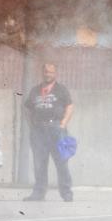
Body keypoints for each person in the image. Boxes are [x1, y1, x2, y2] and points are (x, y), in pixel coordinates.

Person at [23, 62, 74, 202]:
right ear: (42, 73)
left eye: (51, 72)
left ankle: (66, 194)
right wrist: (31, 124)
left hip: (57, 130)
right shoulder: (35, 90)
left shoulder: (61, 90)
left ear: (55, 73)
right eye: (46, 71)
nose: (48, 74)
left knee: (61, 162)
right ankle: (38, 194)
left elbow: (70, 106)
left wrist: (63, 123)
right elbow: (27, 108)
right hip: (38, 130)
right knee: (39, 163)